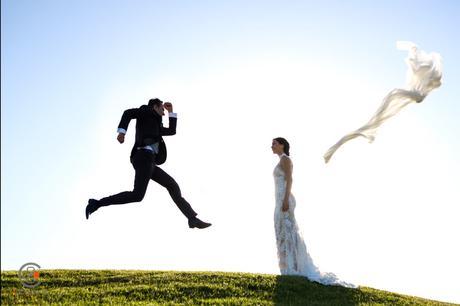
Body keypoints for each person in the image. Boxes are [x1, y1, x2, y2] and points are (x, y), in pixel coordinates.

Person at [85, 98, 211, 229]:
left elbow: (172, 131)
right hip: (143, 156)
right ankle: (96, 203)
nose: (164, 110)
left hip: (150, 161)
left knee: (172, 185)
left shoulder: (157, 124)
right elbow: (128, 113)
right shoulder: (146, 111)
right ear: (155, 107)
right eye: (162, 108)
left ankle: (192, 219)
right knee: (137, 195)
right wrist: (122, 132)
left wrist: (171, 112)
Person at [271, 137, 353, 286]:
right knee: (281, 233)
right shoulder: (280, 161)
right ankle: (286, 268)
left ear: (282, 145)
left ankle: (292, 268)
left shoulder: (285, 159)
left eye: (274, 143)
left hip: (285, 200)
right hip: (279, 201)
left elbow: (290, 180)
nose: (272, 146)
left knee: (288, 234)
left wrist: (285, 200)